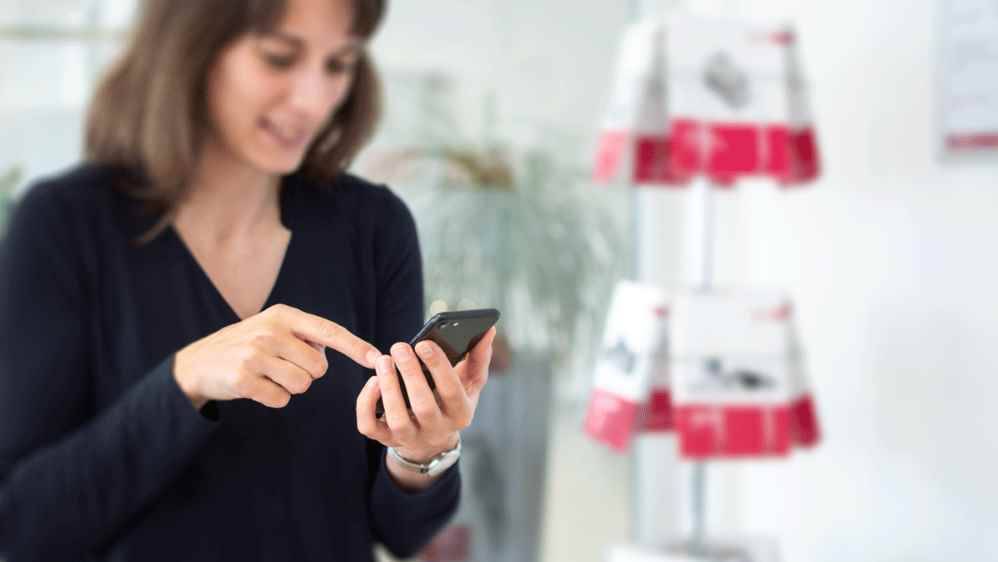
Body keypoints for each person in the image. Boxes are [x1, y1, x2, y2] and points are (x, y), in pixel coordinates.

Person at [0, 0, 496, 560]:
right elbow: (23, 523)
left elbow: (401, 533)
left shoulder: (373, 228)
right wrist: (184, 381)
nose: (314, 99)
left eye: (337, 65)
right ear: (194, 48)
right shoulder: (65, 226)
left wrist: (420, 453)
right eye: (279, 58)